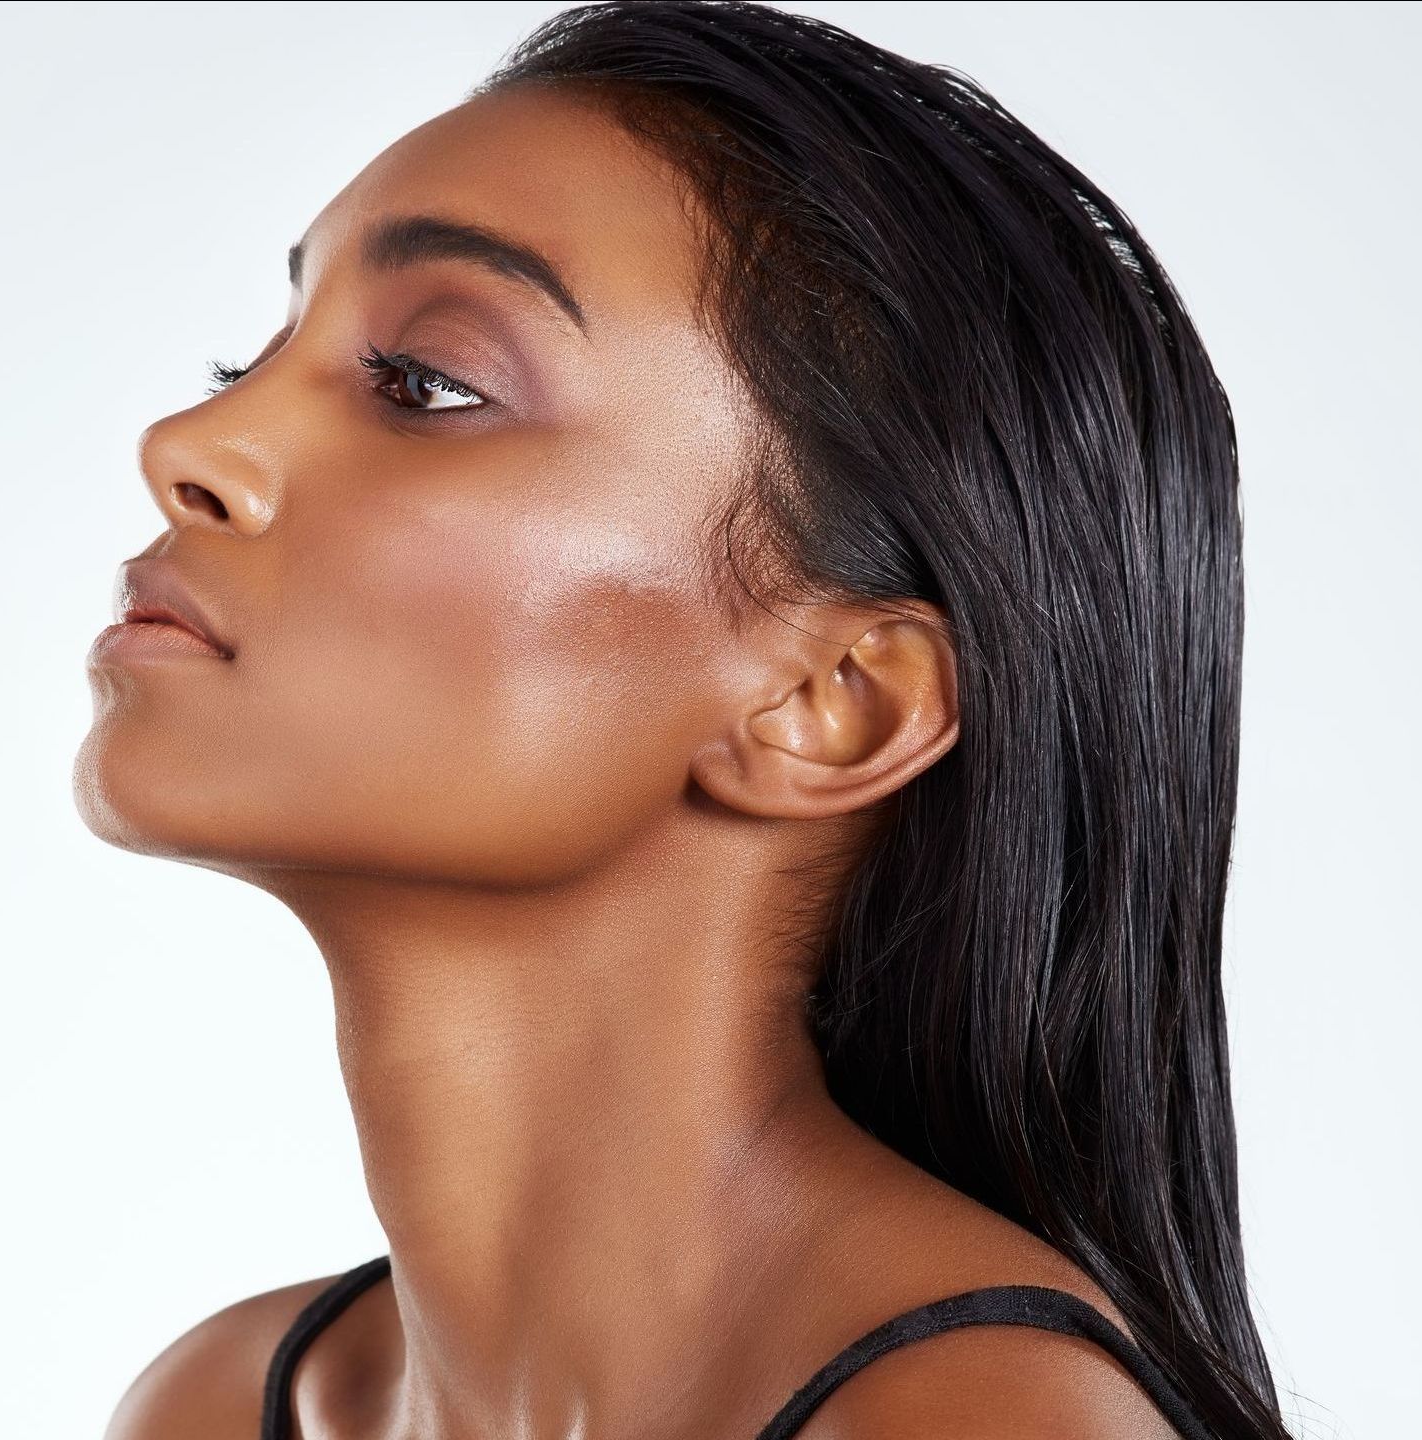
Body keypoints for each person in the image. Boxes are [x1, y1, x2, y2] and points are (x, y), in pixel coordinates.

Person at [75, 3, 1289, 1436]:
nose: (189, 447)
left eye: (426, 383)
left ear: (828, 705)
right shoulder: (217, 1406)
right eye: (251, 358)